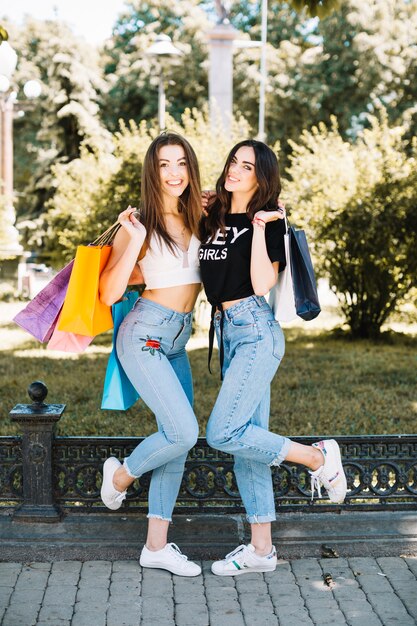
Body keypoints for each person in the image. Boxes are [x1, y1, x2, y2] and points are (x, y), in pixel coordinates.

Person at [199, 139, 347, 576]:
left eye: (247, 166)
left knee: (222, 432)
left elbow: (262, 283)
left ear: (262, 177)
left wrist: (263, 226)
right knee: (248, 440)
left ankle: (317, 458)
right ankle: (261, 550)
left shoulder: (270, 222)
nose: (236, 170)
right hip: (229, 333)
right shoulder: (212, 215)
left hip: (256, 331)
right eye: (233, 162)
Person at [99, 133, 203, 577]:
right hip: (144, 333)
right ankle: (120, 476)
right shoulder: (138, 223)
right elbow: (109, 291)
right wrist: (134, 237)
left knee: (176, 440)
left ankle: (156, 547)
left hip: (178, 338)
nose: (174, 172)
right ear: (151, 170)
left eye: (181, 163)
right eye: (164, 164)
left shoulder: (200, 214)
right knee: (183, 432)